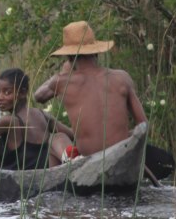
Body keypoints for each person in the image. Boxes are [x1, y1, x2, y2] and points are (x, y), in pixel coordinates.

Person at [33, 21, 146, 156]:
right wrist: (127, 138)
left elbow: (39, 96)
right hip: (123, 151)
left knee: (53, 141)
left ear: (69, 57)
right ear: (96, 52)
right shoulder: (122, 77)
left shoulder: (63, 81)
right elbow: (143, 124)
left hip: (90, 157)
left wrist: (63, 72)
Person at [0, 68, 76, 170]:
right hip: (44, 169)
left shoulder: (8, 121)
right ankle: (72, 161)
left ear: (23, 93)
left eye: (7, 92)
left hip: (22, 177)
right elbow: (73, 134)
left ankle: (71, 159)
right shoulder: (42, 114)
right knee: (58, 137)